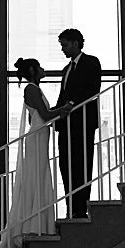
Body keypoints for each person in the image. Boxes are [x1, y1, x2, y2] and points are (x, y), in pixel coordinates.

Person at [0, 57, 61, 248]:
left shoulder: (34, 88)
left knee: (38, 176)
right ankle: (32, 226)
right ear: (33, 70)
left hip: (40, 136)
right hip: (37, 137)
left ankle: (36, 225)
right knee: (35, 176)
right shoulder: (31, 89)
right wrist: (65, 109)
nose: (43, 69)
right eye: (40, 67)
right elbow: (45, 114)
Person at [53, 28, 102, 220]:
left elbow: (93, 88)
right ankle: (71, 207)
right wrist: (53, 114)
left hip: (83, 123)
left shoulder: (91, 62)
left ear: (75, 43)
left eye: (64, 45)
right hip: (65, 125)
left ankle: (80, 209)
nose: (63, 49)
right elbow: (62, 96)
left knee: (82, 165)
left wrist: (72, 104)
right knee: (66, 167)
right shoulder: (66, 70)